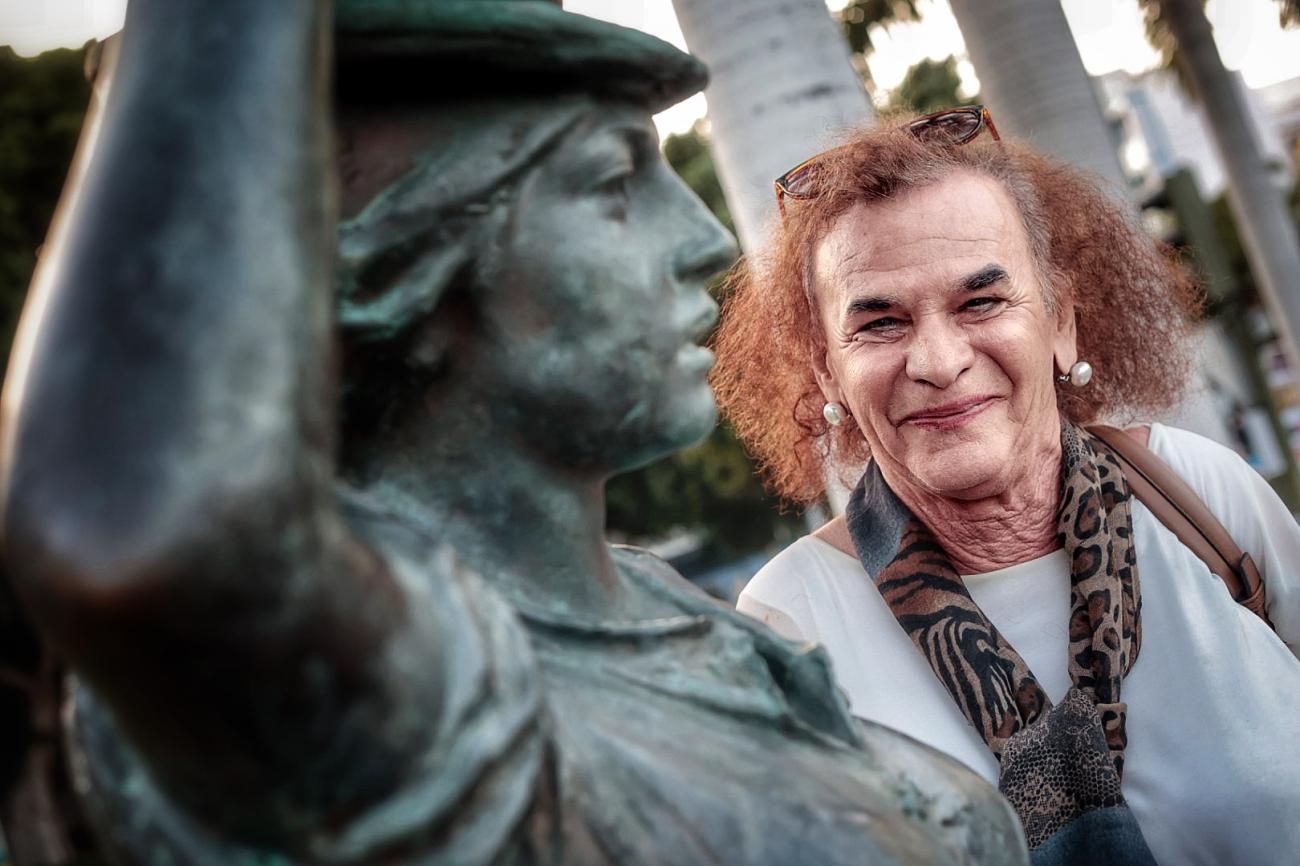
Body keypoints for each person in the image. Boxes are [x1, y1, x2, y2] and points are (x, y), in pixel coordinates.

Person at [0, 3, 1027, 864]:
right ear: (406, 256)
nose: (704, 239)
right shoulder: (405, 686)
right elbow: (129, 525)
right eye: (615, 183)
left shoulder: (680, 617)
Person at [715, 106, 1300, 865]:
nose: (938, 359)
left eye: (981, 302)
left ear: (1059, 322)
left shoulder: (1199, 497)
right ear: (828, 370)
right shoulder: (792, 623)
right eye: (880, 323)